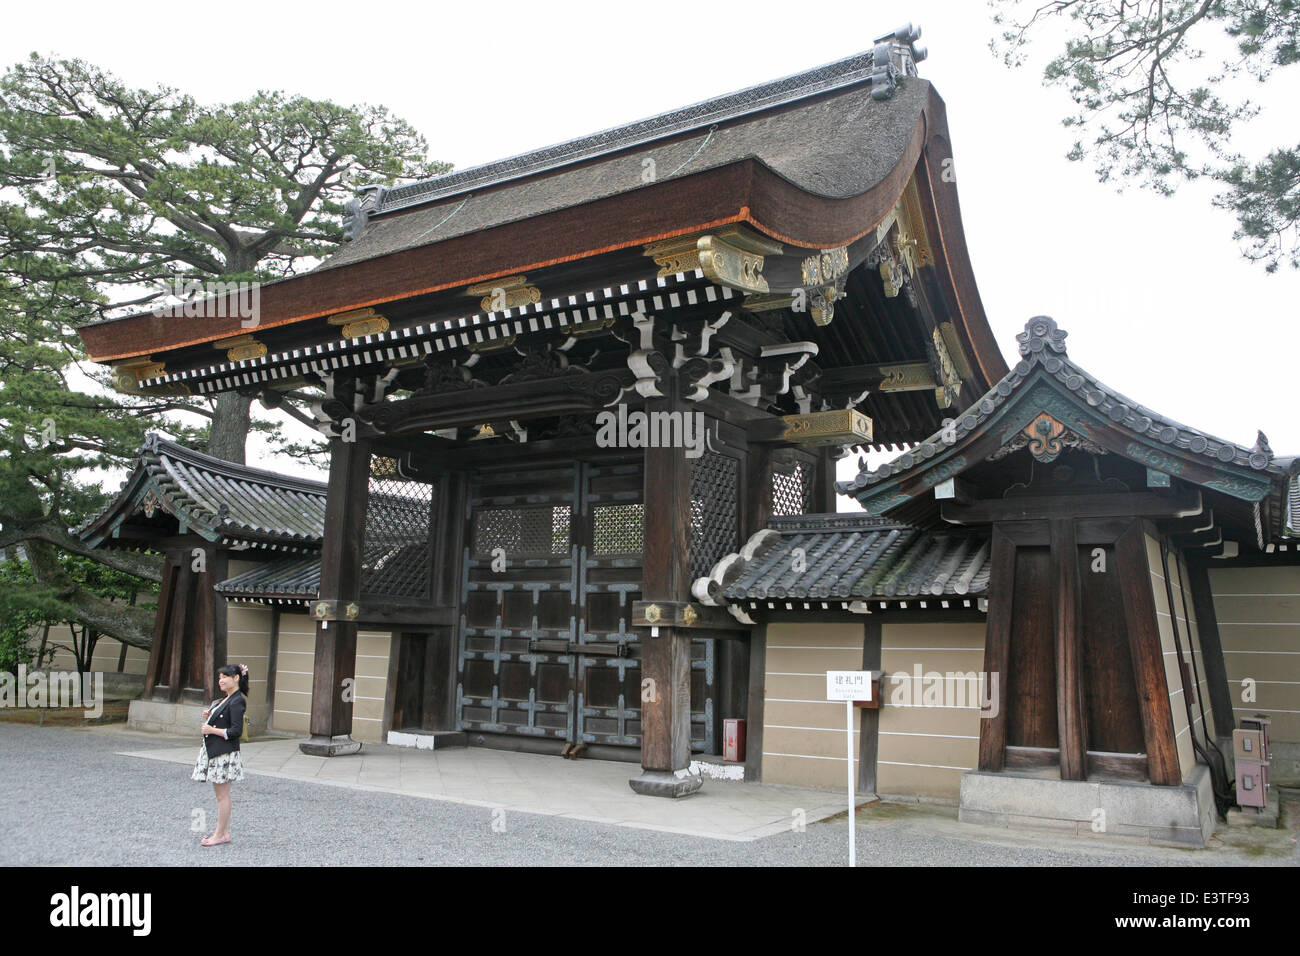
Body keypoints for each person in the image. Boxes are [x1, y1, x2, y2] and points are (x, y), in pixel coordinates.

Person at [191, 662, 248, 846]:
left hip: (223, 753)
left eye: (225, 677)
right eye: (220, 677)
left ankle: (220, 834)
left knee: (222, 796)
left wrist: (211, 729)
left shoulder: (237, 700)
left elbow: (236, 731)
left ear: (236, 678)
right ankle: (223, 833)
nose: (221, 680)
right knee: (221, 795)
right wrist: (210, 715)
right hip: (216, 751)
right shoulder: (225, 699)